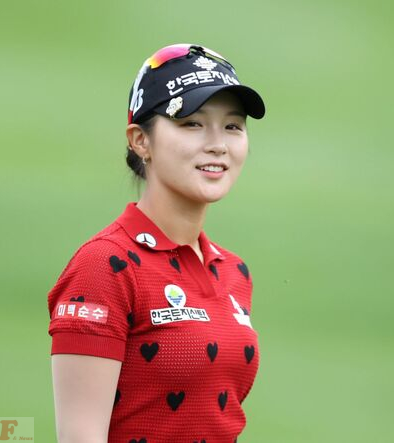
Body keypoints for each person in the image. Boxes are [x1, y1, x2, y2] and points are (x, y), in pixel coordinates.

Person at [47, 43, 265, 443]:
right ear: (140, 141)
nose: (218, 143)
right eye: (192, 123)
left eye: (233, 126)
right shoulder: (105, 265)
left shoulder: (233, 272)